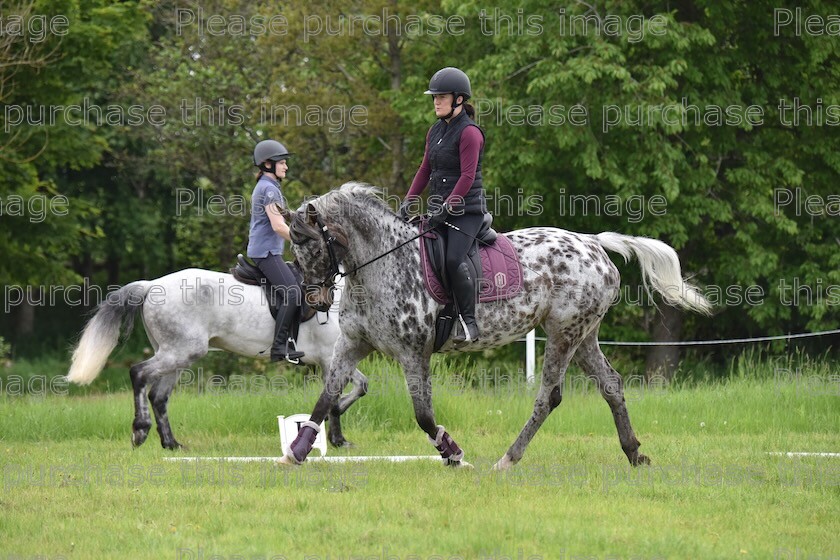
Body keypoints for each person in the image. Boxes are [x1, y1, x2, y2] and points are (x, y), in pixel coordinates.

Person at [400, 67, 487, 343]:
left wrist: (448, 208)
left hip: (466, 212)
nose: (436, 101)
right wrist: (408, 200)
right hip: (439, 211)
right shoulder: (435, 130)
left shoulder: (470, 133)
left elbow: (467, 176)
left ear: (459, 99)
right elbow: (425, 169)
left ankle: (469, 322)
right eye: (434, 97)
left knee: (452, 260)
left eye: (441, 96)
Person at [248, 139, 305, 362]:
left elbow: (284, 217)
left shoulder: (269, 187)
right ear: (268, 164)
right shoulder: (269, 190)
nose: (286, 167)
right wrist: (302, 241)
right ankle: (279, 348)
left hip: (268, 251)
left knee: (296, 286)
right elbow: (278, 225)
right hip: (266, 253)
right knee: (292, 292)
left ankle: (292, 342)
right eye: (282, 162)